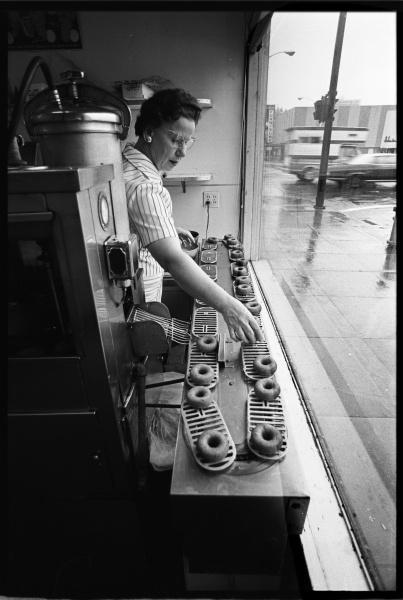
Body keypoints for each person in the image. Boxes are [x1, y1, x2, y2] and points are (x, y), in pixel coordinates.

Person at [122, 88, 263, 345]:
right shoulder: (145, 186)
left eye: (188, 142)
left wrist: (167, 229)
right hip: (141, 303)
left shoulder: (126, 165)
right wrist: (229, 307)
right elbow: (173, 260)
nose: (183, 151)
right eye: (176, 140)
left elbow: (130, 220)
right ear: (149, 132)